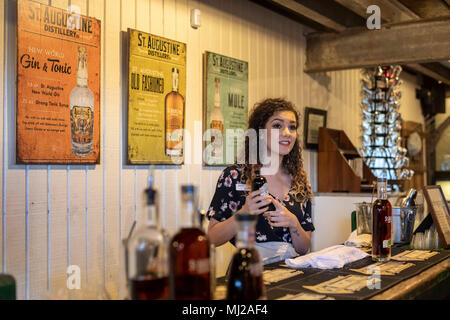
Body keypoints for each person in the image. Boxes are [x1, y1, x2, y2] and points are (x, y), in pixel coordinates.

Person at [206, 98, 315, 263]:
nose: (287, 132)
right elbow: (212, 238)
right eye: (278, 125)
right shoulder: (234, 177)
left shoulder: (299, 181)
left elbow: (303, 247)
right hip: (250, 271)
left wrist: (294, 223)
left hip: (291, 273)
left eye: (292, 127)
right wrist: (244, 213)